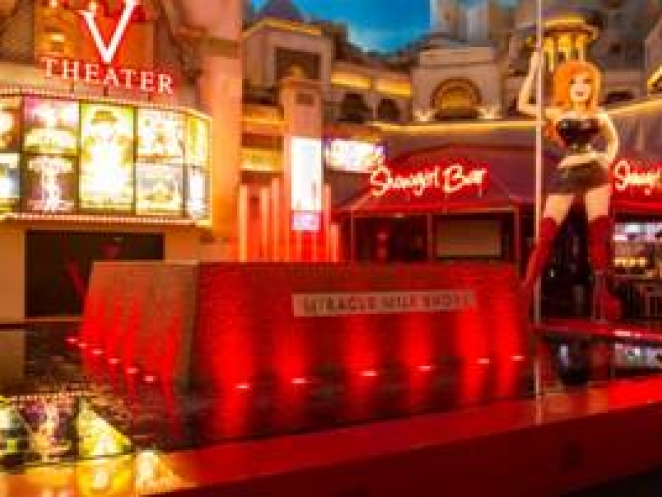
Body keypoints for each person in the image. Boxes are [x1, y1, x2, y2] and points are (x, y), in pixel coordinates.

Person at [518, 51, 621, 320]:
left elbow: (613, 141)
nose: (580, 87)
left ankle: (603, 297)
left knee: (597, 236)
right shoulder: (557, 112)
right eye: (575, 82)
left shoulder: (599, 113)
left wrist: (607, 160)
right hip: (566, 173)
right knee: (546, 234)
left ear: (592, 87)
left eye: (586, 82)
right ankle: (526, 290)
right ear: (566, 85)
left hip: (596, 173)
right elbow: (522, 105)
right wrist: (532, 70)